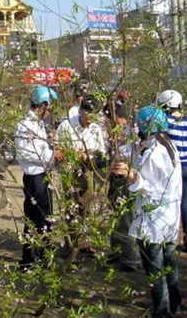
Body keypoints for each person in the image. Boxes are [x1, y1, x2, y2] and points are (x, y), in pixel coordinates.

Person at [112, 106, 182, 318]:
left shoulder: (155, 153)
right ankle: (175, 304)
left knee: (155, 271)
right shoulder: (168, 145)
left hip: (154, 222)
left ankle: (162, 313)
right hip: (169, 220)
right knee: (169, 265)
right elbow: (136, 151)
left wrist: (132, 177)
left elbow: (153, 189)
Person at [14, 86, 63, 267]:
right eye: (49, 106)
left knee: (45, 217)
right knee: (36, 219)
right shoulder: (25, 125)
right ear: (42, 105)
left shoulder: (37, 124)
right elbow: (26, 153)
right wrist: (52, 155)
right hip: (35, 178)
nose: (50, 110)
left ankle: (41, 255)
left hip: (43, 175)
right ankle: (30, 259)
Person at [56, 95, 108, 253]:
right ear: (80, 112)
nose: (89, 120)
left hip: (87, 170)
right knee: (71, 207)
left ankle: (85, 243)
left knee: (86, 206)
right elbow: (57, 148)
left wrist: (88, 155)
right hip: (70, 170)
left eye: (93, 116)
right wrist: (71, 154)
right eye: (87, 116)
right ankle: (71, 244)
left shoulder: (95, 129)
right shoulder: (67, 126)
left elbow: (101, 152)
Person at [157, 89, 187, 254]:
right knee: (186, 206)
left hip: (173, 167)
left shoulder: (165, 121)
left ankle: (167, 239)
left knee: (169, 204)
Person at [104, 102, 140, 271]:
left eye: (114, 121)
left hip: (126, 179)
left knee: (126, 219)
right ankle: (118, 251)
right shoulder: (115, 133)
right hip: (115, 178)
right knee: (116, 218)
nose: (111, 125)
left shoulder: (132, 134)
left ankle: (129, 259)